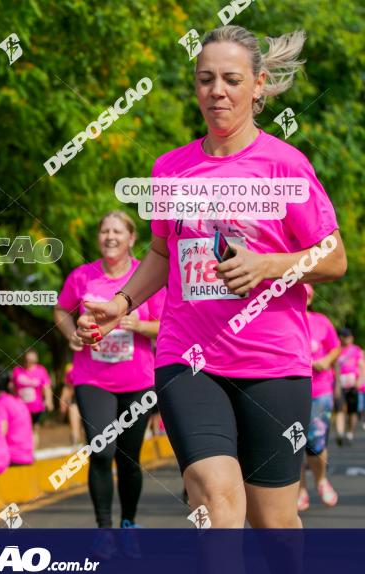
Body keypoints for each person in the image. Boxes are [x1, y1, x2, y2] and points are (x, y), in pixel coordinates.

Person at [77, 25, 346, 534]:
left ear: (259, 84)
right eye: (205, 79)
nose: (216, 90)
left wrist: (269, 265)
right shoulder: (170, 170)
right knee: (216, 497)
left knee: (275, 524)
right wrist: (123, 301)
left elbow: (334, 259)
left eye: (230, 79)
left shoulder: (283, 165)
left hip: (273, 362)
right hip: (188, 357)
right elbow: (161, 252)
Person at [55, 211, 164, 535]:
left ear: (132, 238)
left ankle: (128, 523)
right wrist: (71, 334)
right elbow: (61, 309)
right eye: (105, 231)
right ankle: (104, 529)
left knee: (129, 459)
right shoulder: (82, 277)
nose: (110, 237)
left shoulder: (146, 277)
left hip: (138, 381)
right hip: (93, 379)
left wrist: (139, 324)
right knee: (101, 452)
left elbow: (167, 323)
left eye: (118, 231)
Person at [299, 284, 340, 510]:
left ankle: (321, 480)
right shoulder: (283, 319)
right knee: (293, 443)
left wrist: (326, 361)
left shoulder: (321, 322)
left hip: (320, 390)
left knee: (315, 440)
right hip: (291, 390)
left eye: (307, 293)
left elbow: (335, 348)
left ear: (311, 297)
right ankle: (300, 490)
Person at [10, 349, 52, 448]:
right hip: (20, 407)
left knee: (34, 428)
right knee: (21, 429)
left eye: (32, 360)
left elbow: (47, 387)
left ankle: (32, 451)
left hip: (36, 406)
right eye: (28, 360)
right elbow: (12, 387)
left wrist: (49, 401)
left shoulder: (41, 371)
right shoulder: (17, 370)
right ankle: (22, 449)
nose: (29, 362)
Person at [0, 371, 34, 466]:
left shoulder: (1, 403)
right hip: (28, 455)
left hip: (13, 457)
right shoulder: (20, 402)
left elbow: (2, 431)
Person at [334, 327, 363, 445]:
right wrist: (336, 383)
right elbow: (335, 367)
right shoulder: (336, 350)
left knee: (352, 411)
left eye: (349, 336)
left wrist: (360, 380)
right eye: (344, 337)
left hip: (353, 384)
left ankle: (350, 432)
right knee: (340, 409)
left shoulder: (356, 350)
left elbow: (362, 366)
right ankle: (340, 433)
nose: (347, 339)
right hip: (341, 384)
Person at [58, 362, 83, 446]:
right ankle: (75, 445)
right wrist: (62, 401)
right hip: (74, 400)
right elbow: (67, 387)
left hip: (90, 399)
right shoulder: (70, 370)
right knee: (74, 424)